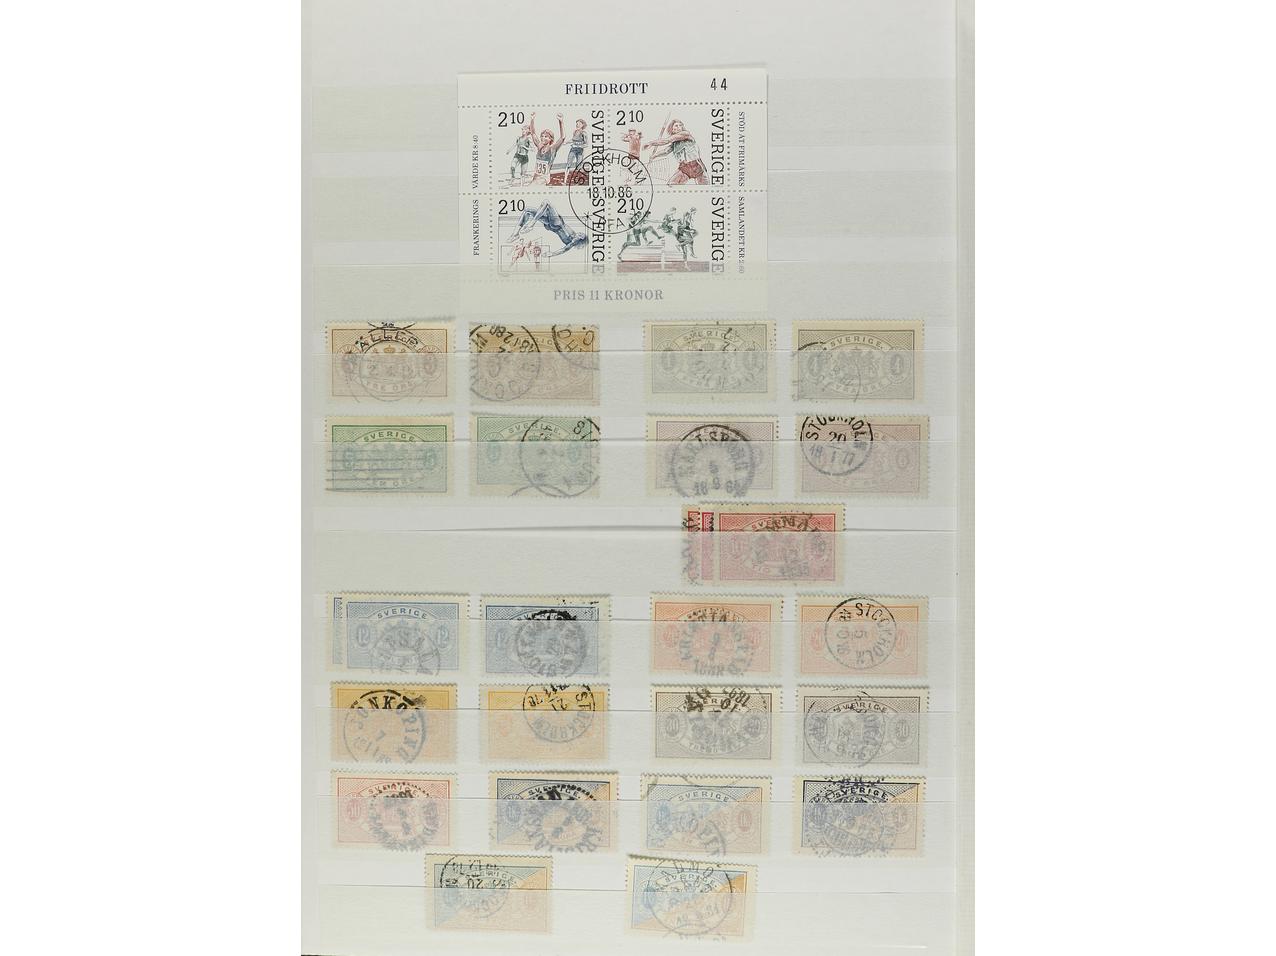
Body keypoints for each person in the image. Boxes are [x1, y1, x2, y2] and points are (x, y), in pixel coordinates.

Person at [510, 201, 587, 256]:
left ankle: (531, 224)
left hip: (557, 224)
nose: (580, 233)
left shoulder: (573, 241)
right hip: (552, 225)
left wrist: (552, 254)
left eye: (581, 234)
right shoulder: (573, 238)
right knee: (527, 210)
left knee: (547, 203)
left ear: (581, 238)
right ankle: (515, 234)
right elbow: (564, 249)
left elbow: (563, 250)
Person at [644, 119, 708, 184]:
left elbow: (667, 140)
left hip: (697, 167)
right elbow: (666, 151)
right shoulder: (675, 143)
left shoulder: (686, 134)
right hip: (684, 168)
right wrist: (654, 156)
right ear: (671, 129)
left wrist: (651, 143)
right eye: (676, 126)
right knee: (671, 185)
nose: (679, 127)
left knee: (705, 187)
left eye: (680, 125)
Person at [529, 113, 566, 185]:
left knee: (531, 186)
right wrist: (532, 119)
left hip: (544, 177)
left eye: (546, 136)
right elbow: (533, 133)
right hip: (536, 176)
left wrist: (560, 121)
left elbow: (562, 137)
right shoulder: (539, 146)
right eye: (542, 136)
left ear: (550, 139)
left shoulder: (552, 148)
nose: (543, 138)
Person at [507, 119, 534, 184]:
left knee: (523, 174)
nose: (523, 131)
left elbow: (533, 149)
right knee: (512, 167)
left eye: (525, 129)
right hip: (517, 155)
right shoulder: (518, 138)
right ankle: (513, 177)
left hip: (524, 157)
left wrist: (525, 147)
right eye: (523, 129)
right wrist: (509, 150)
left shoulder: (529, 139)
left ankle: (522, 186)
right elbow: (514, 144)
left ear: (528, 131)